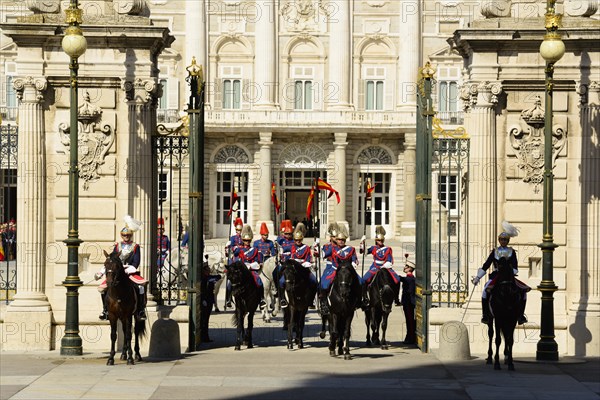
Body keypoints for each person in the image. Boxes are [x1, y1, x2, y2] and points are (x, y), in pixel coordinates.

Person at [472, 221, 531, 325]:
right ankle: (485, 314)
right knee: (485, 290)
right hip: (496, 275)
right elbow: (487, 264)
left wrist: (510, 271)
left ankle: (520, 315)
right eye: (502, 239)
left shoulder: (512, 252)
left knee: (523, 292)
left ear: (508, 241)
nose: (503, 241)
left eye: (505, 240)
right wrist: (478, 277)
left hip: (509, 276)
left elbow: (515, 266)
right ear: (499, 240)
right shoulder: (494, 251)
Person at [95, 215, 148, 321]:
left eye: (128, 235)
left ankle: (140, 310)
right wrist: (101, 272)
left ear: (131, 235)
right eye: (124, 235)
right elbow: (111, 260)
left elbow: (136, 261)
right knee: (102, 289)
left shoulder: (135, 246)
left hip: (130, 271)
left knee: (141, 287)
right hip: (117, 271)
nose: (126, 237)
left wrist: (128, 269)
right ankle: (105, 310)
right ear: (121, 235)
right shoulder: (117, 246)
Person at [359, 226, 399, 307]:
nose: (380, 242)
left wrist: (385, 266)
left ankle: (396, 298)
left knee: (397, 279)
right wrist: (362, 242)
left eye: (381, 240)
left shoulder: (388, 249)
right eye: (378, 240)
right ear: (376, 241)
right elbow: (363, 251)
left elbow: (389, 259)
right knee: (364, 279)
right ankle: (365, 297)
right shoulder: (373, 248)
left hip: (385, 266)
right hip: (375, 266)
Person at [279, 223, 316, 308]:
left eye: (299, 240)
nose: (297, 242)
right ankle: (282, 299)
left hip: (303, 268)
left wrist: (308, 263)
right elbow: (287, 256)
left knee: (314, 282)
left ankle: (311, 300)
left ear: (302, 239)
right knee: (281, 281)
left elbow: (308, 258)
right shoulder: (291, 247)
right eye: (296, 240)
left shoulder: (306, 248)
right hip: (292, 269)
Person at [233, 225, 267, 310]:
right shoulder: (239, 250)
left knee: (259, 281)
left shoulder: (254, 250)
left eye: (248, 240)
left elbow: (257, 262)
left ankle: (262, 299)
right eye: (245, 240)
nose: (247, 242)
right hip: (242, 271)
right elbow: (235, 256)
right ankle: (230, 298)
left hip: (251, 270)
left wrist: (250, 266)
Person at [330, 224, 362, 309]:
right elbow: (329, 258)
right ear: (336, 240)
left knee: (361, 282)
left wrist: (354, 263)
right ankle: (324, 302)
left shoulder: (350, 249)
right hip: (336, 270)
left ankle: (359, 301)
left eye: (343, 240)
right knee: (324, 284)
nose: (341, 241)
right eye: (339, 240)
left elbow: (354, 258)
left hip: (348, 270)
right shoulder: (332, 249)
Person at [317, 222, 340, 315]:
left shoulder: (341, 245)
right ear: (330, 237)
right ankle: (323, 303)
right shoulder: (327, 246)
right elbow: (322, 254)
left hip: (341, 267)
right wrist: (317, 248)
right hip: (330, 267)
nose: (336, 239)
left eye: (336, 237)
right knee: (323, 284)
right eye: (334, 237)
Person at [200, 256, 222, 342]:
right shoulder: (205, 278)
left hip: (209, 301)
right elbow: (217, 277)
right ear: (204, 271)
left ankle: (206, 337)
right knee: (204, 321)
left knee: (206, 320)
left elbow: (218, 277)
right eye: (207, 269)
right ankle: (204, 337)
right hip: (205, 301)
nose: (209, 270)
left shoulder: (208, 277)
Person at [224, 217, 244, 308]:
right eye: (237, 230)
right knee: (229, 283)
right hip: (234, 260)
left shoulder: (244, 238)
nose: (239, 231)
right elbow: (231, 249)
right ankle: (228, 299)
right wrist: (232, 248)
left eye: (240, 230)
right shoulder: (233, 238)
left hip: (242, 260)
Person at [400, 256, 416, 344]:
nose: (404, 267)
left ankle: (411, 337)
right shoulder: (410, 278)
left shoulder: (409, 279)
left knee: (409, 320)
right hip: (408, 302)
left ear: (409, 268)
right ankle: (409, 336)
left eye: (406, 266)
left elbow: (399, 278)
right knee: (408, 319)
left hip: (409, 302)